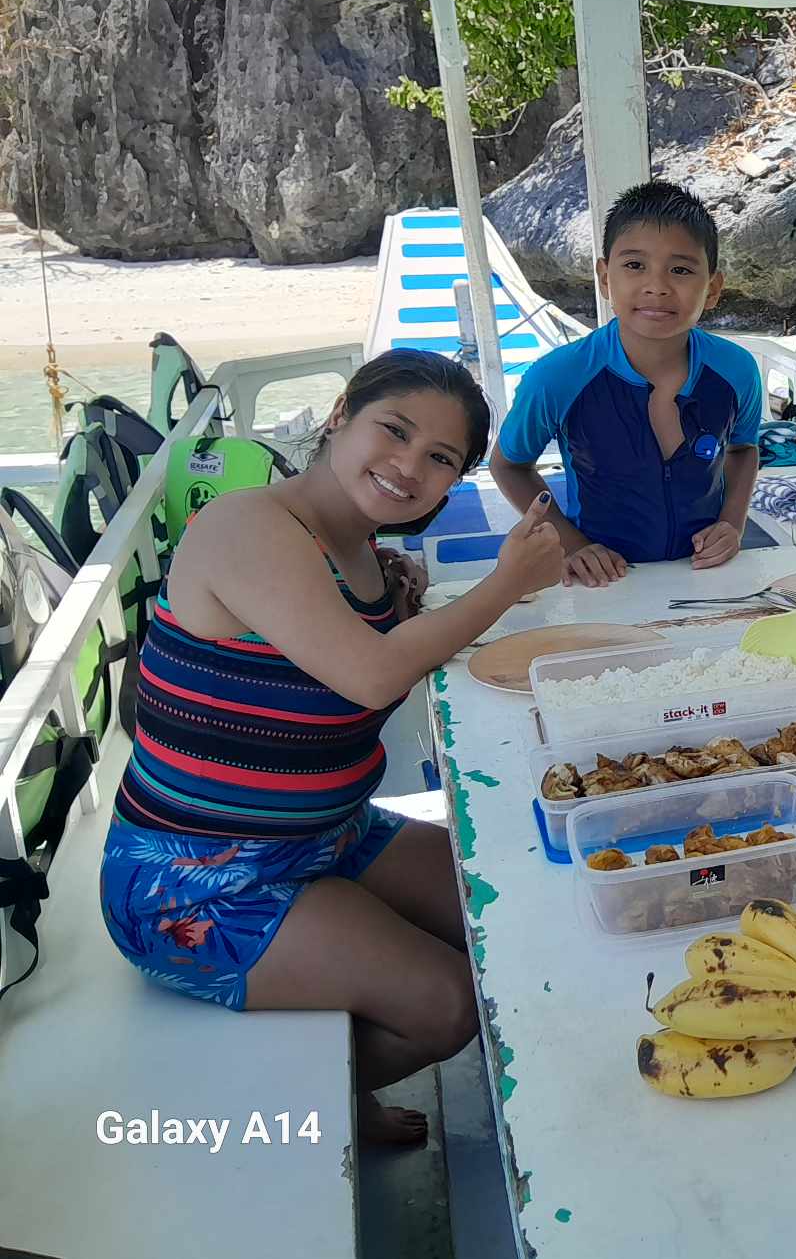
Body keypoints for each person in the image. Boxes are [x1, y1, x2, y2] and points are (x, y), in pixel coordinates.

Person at [100, 351, 565, 1148]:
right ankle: (308, 1105)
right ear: (342, 412)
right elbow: (368, 676)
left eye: (440, 458)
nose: (408, 466)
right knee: (447, 1003)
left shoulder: (360, 552)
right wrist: (505, 582)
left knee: (517, 914)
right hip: (194, 879)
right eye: (395, 429)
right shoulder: (247, 524)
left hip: (334, 834)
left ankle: (330, 1046)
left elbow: (351, 646)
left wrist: (399, 597)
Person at [490, 180, 762, 587]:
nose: (657, 286)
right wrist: (573, 544)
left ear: (714, 289)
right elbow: (509, 466)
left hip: (706, 576)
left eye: (682, 269)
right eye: (635, 265)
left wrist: (732, 524)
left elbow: (743, 449)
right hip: (604, 582)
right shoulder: (559, 376)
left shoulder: (736, 371)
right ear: (604, 276)